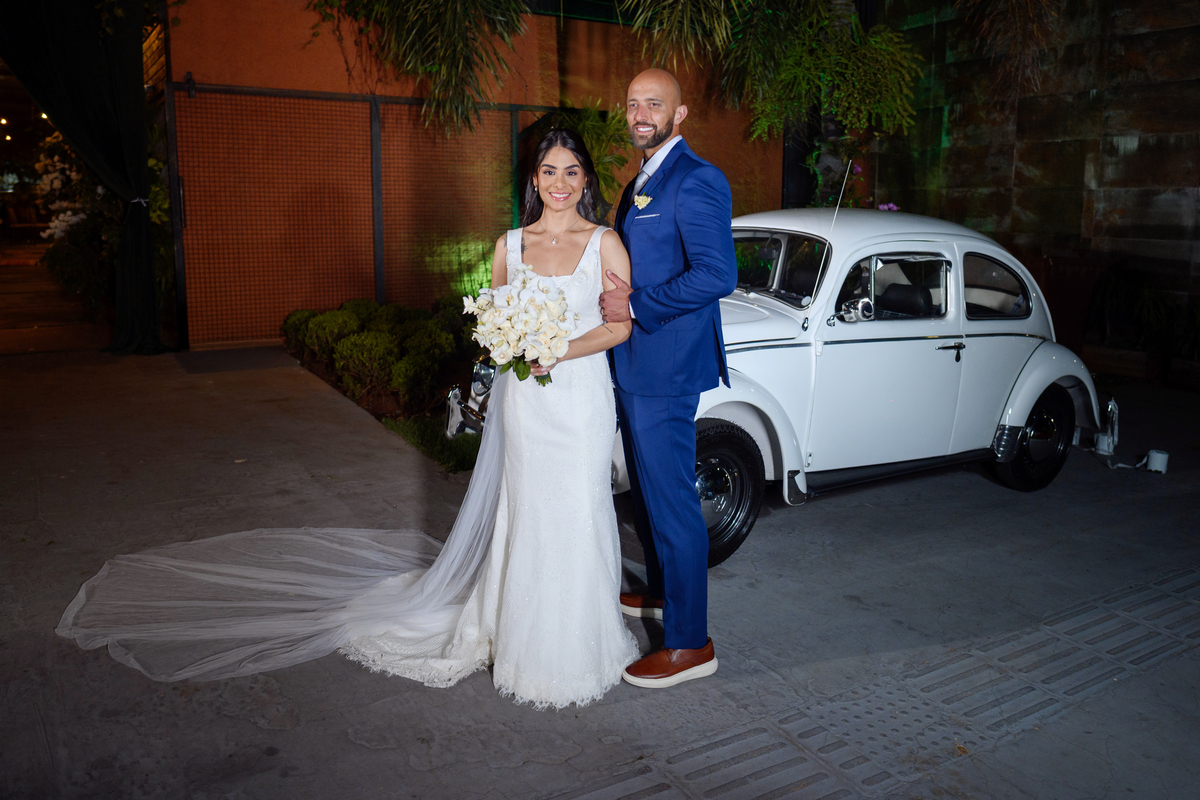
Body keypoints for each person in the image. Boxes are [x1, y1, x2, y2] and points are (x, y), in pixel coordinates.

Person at [55, 128, 639, 710]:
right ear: (533, 179)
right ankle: (525, 642)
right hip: (527, 402)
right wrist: (505, 354)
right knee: (530, 510)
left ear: (586, 179)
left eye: (571, 172)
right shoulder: (508, 246)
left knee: (580, 510)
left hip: (580, 401)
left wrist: (559, 349)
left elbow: (619, 326)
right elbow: (493, 327)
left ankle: (582, 643)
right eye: (548, 171)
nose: (559, 183)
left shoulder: (605, 243)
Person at [600, 69, 738, 689]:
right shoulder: (642, 180)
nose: (640, 114)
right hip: (637, 363)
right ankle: (661, 593)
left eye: (654, 104)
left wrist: (634, 306)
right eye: (633, 104)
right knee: (650, 494)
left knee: (674, 501)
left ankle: (689, 643)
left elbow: (716, 274)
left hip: (667, 368)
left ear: (679, 114)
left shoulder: (697, 178)